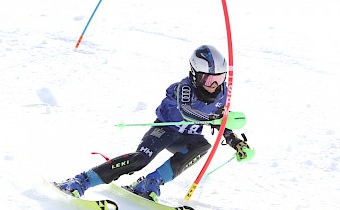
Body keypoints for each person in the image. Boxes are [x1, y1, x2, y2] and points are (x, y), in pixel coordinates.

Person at [56, 45, 252, 201]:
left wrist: (235, 141)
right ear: (195, 75)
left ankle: (151, 182)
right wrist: (214, 118)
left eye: (219, 78)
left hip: (187, 136)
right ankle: (81, 181)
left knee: (202, 145)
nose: (214, 85)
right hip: (164, 130)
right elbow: (188, 112)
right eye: (208, 79)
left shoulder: (223, 93)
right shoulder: (184, 87)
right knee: (140, 160)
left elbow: (220, 120)